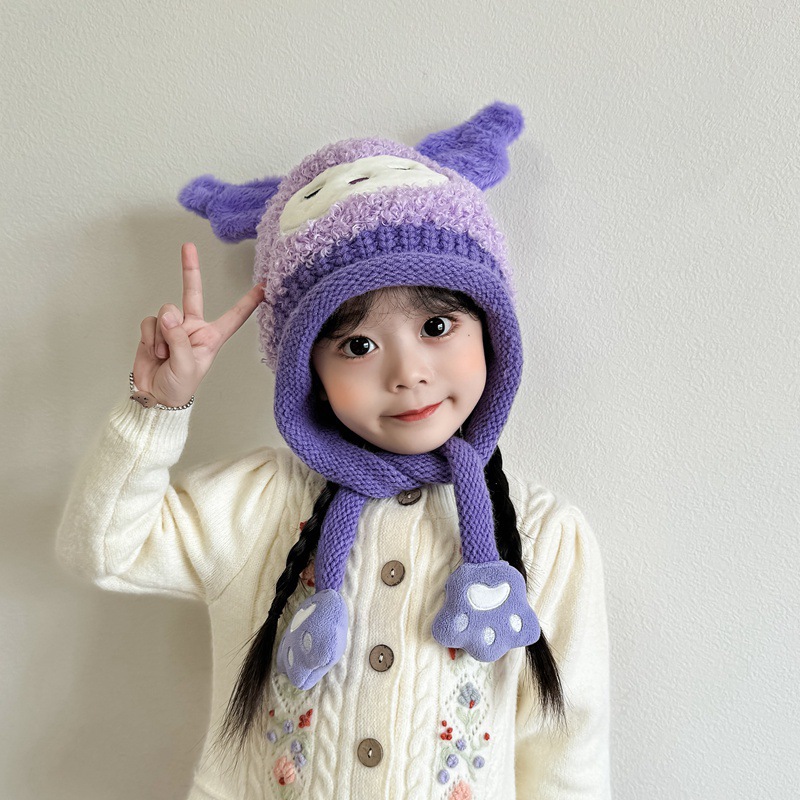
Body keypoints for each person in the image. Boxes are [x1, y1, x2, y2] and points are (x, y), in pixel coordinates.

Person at [56, 103, 611, 799]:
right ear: (306, 371)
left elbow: (566, 752)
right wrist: (157, 408)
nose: (407, 373)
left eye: (437, 325)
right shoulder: (258, 503)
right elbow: (103, 549)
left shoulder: (544, 536)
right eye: (358, 344)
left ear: (492, 329)